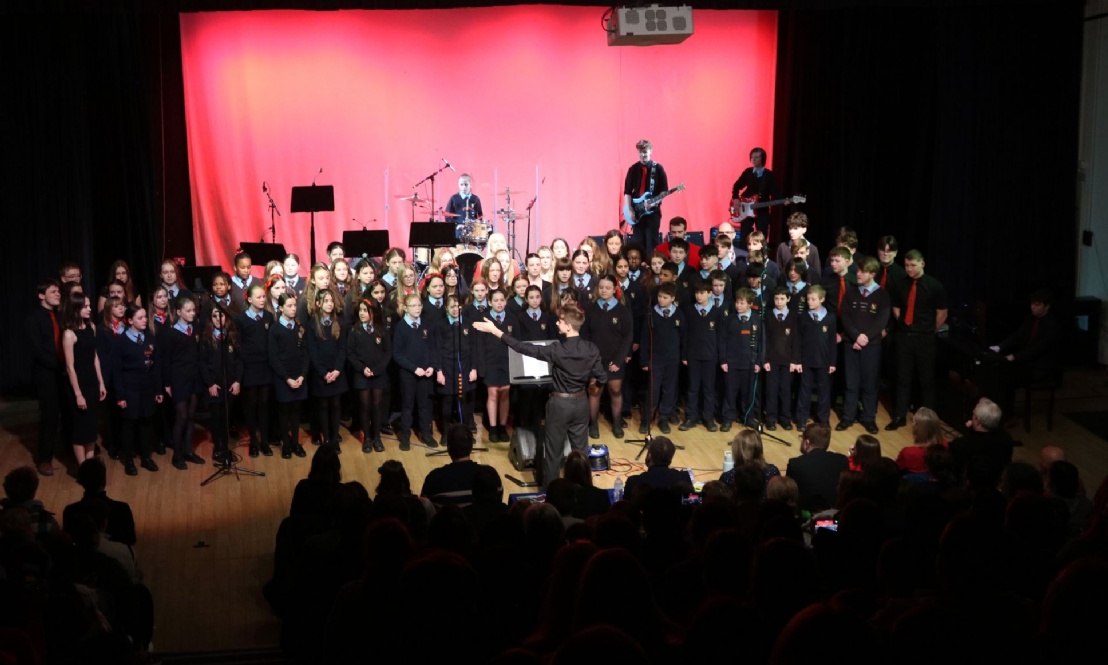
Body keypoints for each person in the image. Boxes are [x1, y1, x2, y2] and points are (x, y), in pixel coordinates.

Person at [472, 305, 606, 488]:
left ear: (568, 326)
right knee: (580, 452)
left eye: (560, 321)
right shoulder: (591, 348)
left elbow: (521, 347)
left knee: (553, 453)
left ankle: (549, 493)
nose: (557, 323)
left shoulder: (557, 350)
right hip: (581, 403)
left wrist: (495, 331)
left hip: (560, 404)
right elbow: (602, 377)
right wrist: (593, 389)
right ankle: (584, 489)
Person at [886, 250, 948, 430]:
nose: (909, 269)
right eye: (906, 265)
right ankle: (899, 416)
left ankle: (928, 421)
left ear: (922, 264)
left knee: (926, 380)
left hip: (925, 339)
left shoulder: (934, 286)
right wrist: (905, 325)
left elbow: (942, 313)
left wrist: (928, 329)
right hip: (904, 337)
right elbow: (896, 308)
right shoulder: (901, 284)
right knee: (902, 379)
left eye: (913, 265)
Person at [987, 288, 1060, 417]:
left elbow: (1037, 349)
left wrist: (1015, 356)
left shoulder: (1051, 325)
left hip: (1040, 367)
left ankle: (1007, 415)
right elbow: (1018, 335)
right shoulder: (1031, 319)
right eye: (1032, 304)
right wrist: (1000, 347)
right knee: (999, 373)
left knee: (1007, 378)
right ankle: (998, 411)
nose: (1033, 307)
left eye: (1037, 305)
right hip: (1028, 362)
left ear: (1047, 307)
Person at [838, 256, 890, 434]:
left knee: (869, 384)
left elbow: (881, 320)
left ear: (872, 274)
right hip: (851, 344)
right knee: (851, 383)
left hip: (871, 346)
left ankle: (869, 418)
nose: (858, 274)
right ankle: (847, 417)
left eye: (862, 271)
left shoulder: (882, 294)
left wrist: (865, 337)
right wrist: (855, 336)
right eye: (858, 270)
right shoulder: (851, 292)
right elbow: (845, 316)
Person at [580, 275, 634, 439]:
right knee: (594, 392)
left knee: (615, 391)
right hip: (595, 360)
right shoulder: (590, 309)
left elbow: (627, 337)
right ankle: (593, 424)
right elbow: (585, 335)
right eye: (601, 287)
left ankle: (617, 423)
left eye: (607, 288)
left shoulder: (622, 310)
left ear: (614, 289)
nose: (604, 290)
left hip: (614, 360)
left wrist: (618, 361)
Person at [111, 304, 162, 474]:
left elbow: (156, 366)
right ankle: (129, 460)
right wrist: (120, 395)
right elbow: (116, 371)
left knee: (147, 422)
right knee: (129, 425)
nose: (144, 321)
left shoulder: (149, 338)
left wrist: (158, 390)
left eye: (145, 317)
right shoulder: (121, 342)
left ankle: (146, 457)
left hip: (147, 389)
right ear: (130, 320)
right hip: (129, 390)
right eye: (140, 318)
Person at [160, 295, 206, 470]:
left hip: (194, 378)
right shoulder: (172, 333)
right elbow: (166, 360)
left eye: (194, 310)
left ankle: (188, 451)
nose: (192, 313)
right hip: (179, 379)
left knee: (192, 415)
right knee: (182, 416)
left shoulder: (195, 329)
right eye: (188, 311)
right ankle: (177, 455)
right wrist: (167, 383)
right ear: (179, 312)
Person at [61, 291, 106, 464]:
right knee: (80, 428)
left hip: (92, 381)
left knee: (91, 426)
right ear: (76, 308)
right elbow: (70, 367)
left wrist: (101, 382)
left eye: (89, 305)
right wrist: (78, 394)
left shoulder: (91, 328)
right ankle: (83, 468)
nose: (89, 309)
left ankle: (90, 462)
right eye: (85, 306)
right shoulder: (69, 334)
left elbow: (95, 357)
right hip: (78, 384)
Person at [26, 279, 64, 475]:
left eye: (58, 291)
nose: (58, 294)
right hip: (47, 374)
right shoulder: (35, 319)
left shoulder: (59, 316)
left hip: (62, 372)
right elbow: (37, 350)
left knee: (65, 414)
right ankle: (44, 459)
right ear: (42, 295)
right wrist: (59, 364)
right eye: (53, 291)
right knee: (49, 417)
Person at [392, 293, 439, 450]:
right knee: (407, 406)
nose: (417, 308)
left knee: (424, 405)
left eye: (419, 305)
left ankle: (426, 433)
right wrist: (414, 368)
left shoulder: (426, 325)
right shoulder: (400, 328)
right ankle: (405, 436)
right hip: (408, 375)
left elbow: (432, 348)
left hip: (425, 374)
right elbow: (397, 354)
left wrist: (432, 366)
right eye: (413, 305)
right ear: (405, 308)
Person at [199, 305, 243, 465]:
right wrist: (210, 384)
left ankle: (225, 447)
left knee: (226, 417)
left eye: (222, 316)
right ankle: (218, 447)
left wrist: (237, 381)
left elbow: (239, 361)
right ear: (211, 318)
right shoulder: (206, 338)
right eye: (215, 315)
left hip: (229, 385)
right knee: (216, 417)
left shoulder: (232, 336)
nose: (219, 319)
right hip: (214, 386)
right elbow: (202, 363)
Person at [639, 282, 685, 435]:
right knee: (653, 389)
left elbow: (683, 336)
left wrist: (683, 356)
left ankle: (663, 417)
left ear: (672, 298)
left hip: (672, 358)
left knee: (669, 389)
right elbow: (645, 338)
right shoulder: (651, 314)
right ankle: (647, 418)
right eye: (659, 296)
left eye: (665, 297)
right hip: (655, 358)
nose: (661, 300)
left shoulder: (678, 314)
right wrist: (644, 360)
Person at [348, 299, 392, 452]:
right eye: (360, 310)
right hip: (362, 375)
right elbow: (351, 354)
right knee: (365, 406)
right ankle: (367, 437)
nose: (362, 313)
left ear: (373, 312)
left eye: (365, 310)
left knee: (377, 406)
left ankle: (377, 437)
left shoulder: (381, 330)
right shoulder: (355, 330)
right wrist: (362, 369)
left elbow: (388, 352)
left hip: (378, 374)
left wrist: (378, 369)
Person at [680, 281, 725, 432]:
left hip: (710, 356)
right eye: (697, 293)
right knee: (693, 388)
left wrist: (720, 356)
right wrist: (684, 354)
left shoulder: (717, 312)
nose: (699, 296)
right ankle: (691, 417)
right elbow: (685, 334)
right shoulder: (690, 311)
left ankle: (708, 418)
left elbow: (720, 337)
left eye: (702, 293)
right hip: (693, 355)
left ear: (710, 293)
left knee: (708, 389)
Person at [269, 293, 309, 459]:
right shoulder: (275, 329)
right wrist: (287, 378)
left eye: (294, 306)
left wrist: (302, 375)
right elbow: (273, 357)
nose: (293, 309)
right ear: (280, 308)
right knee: (284, 412)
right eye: (289, 306)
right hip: (283, 378)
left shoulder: (300, 328)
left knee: (296, 412)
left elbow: (306, 353)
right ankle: (286, 443)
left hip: (298, 376)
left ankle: (295, 443)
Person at [62, 457, 137, 546]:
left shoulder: (70, 511)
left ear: (81, 481)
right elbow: (131, 540)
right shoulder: (122, 509)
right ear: (104, 481)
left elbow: (69, 542)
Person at [236, 284, 275, 458]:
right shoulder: (241, 319)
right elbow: (239, 345)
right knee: (251, 406)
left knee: (264, 406)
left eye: (263, 297)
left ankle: (264, 441)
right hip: (250, 368)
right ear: (249, 299)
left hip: (265, 367)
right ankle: (253, 441)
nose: (262, 300)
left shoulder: (268, 316)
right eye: (258, 297)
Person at [720, 287, 764, 430]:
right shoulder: (730, 319)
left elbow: (761, 343)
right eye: (737, 302)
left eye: (742, 303)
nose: (738, 305)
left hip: (749, 363)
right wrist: (723, 360)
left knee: (748, 393)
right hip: (732, 362)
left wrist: (758, 361)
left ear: (750, 304)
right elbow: (723, 341)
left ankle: (748, 417)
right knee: (730, 392)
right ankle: (727, 417)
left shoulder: (757, 320)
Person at [795, 285, 836, 428]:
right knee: (804, 390)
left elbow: (832, 342)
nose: (809, 302)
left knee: (824, 391)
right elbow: (798, 339)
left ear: (822, 299)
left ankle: (823, 419)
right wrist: (798, 361)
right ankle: (801, 418)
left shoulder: (830, 318)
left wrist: (832, 362)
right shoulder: (803, 317)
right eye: (808, 299)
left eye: (813, 299)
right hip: (806, 361)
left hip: (824, 361)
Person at [785, 423, 849, 513]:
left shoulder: (796, 464)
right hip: (836, 515)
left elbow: (789, 496)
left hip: (805, 517)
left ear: (807, 443)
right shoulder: (842, 460)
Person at [763, 286, 801, 431]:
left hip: (787, 361)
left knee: (785, 390)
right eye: (776, 299)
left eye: (782, 299)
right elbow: (764, 340)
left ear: (788, 299)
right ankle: (771, 418)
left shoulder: (793, 316)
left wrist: (794, 360)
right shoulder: (768, 316)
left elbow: (796, 340)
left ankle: (785, 418)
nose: (779, 302)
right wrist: (765, 360)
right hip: (771, 361)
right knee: (771, 390)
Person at [623, 139, 669, 257]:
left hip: (653, 213)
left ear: (651, 151)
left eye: (646, 152)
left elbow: (664, 191)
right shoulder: (633, 169)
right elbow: (627, 191)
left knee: (652, 243)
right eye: (641, 152)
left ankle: (650, 268)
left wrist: (655, 202)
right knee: (638, 243)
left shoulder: (658, 169)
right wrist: (629, 209)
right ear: (638, 152)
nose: (643, 155)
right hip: (637, 211)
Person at [420, 424, 482, 508]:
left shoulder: (434, 478)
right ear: (471, 447)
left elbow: (423, 508)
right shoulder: (490, 475)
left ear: (449, 448)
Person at [948, 398, 1014, 476]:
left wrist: (968, 432)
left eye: (973, 414)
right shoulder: (1007, 439)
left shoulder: (960, 445)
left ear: (978, 421)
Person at [730, 146, 781, 238]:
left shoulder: (769, 175)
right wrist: (736, 199)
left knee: (762, 236)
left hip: (762, 209)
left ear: (763, 159)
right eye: (752, 157)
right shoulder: (748, 172)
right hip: (745, 208)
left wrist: (783, 200)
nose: (753, 159)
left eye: (756, 157)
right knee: (745, 236)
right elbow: (737, 186)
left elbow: (775, 192)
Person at [623, 436, 693, 502]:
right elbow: (692, 505)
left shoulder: (634, 482)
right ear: (671, 458)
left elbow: (626, 509)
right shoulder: (684, 478)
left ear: (649, 455)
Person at [895, 407, 945, 474]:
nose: (912, 424)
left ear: (917, 428)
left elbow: (896, 469)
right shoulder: (944, 445)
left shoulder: (908, 453)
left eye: (913, 422)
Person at [775, 212, 822, 281]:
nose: (791, 231)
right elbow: (779, 271)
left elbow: (817, 274)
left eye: (795, 228)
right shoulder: (783, 247)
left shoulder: (812, 249)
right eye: (790, 228)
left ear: (804, 230)